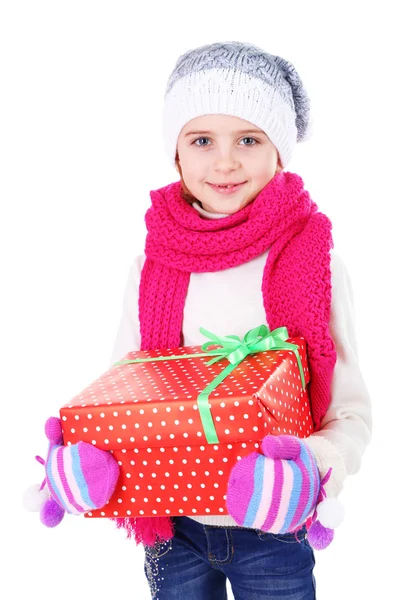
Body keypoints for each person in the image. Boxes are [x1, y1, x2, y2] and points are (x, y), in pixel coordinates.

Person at [110, 41, 372, 600]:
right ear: (176, 153)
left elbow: (349, 411)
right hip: (171, 525)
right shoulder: (149, 269)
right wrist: (91, 455)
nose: (224, 162)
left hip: (273, 528)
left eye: (248, 140)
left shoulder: (316, 264)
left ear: (280, 151)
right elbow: (123, 393)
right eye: (202, 140)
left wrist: (315, 463)